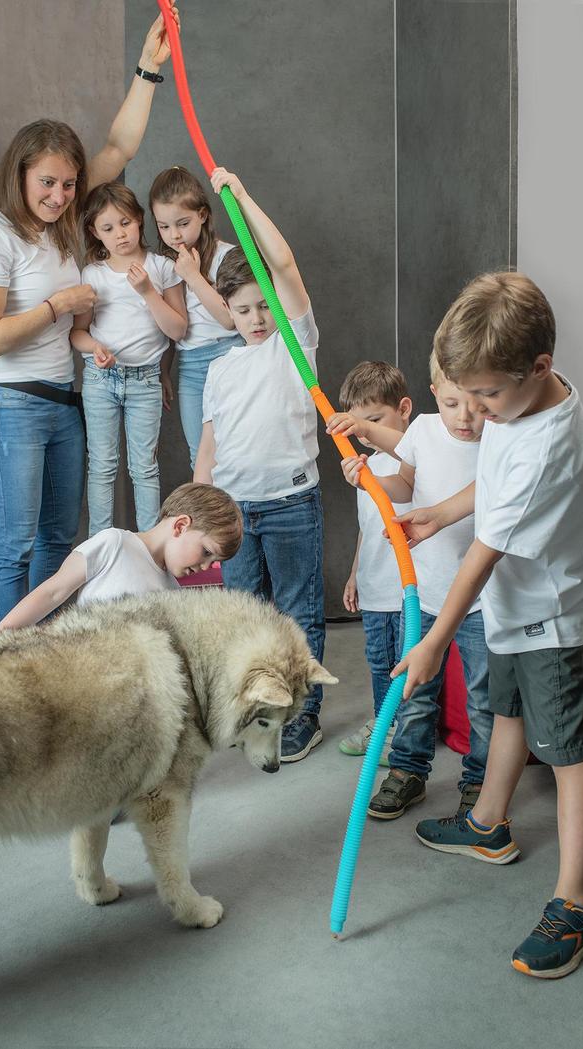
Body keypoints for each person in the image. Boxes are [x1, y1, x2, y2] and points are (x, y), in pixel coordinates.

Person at [391, 272, 583, 979]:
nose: (476, 411)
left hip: (546, 614)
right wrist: (439, 513)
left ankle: (577, 904)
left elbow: (483, 556)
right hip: (514, 607)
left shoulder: (545, 439)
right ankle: (487, 823)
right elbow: (495, 484)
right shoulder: (521, 403)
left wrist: (431, 640)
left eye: (485, 395)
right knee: (505, 710)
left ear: (538, 368)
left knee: (568, 752)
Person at [0, 7, 180, 631]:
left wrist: (148, 67)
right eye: (48, 183)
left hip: (64, 400)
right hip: (8, 402)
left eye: (69, 185)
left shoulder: (62, 228)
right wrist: (60, 307)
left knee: (60, 547)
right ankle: (3, 671)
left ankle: (48, 668)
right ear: (21, 175)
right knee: (18, 545)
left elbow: (119, 146)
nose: (60, 196)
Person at [194, 167, 325, 763]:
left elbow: (287, 266)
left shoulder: (292, 343)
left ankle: (303, 718)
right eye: (242, 309)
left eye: (263, 305)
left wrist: (242, 199)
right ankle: (254, 711)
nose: (255, 318)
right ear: (227, 310)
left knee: (297, 612)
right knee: (244, 617)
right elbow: (210, 444)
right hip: (236, 510)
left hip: (292, 502)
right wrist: (200, 504)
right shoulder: (221, 369)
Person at [329, 353, 490, 819]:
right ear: (435, 394)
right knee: (415, 690)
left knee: (483, 698)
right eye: (453, 402)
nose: (464, 416)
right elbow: (403, 481)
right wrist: (367, 478)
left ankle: (479, 781)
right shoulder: (422, 431)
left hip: (481, 597)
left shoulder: (496, 440)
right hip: (427, 593)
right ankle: (407, 770)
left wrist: (363, 430)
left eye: (476, 403)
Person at [71, 183, 187, 535]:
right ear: (95, 232)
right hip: (101, 380)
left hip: (146, 380)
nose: (119, 235)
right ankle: (101, 547)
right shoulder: (93, 274)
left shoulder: (162, 267)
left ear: (139, 220)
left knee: (145, 468)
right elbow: (77, 333)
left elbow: (178, 329)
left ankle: (149, 549)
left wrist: (147, 291)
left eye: (125, 223)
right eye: (107, 228)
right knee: (103, 467)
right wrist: (95, 349)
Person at [0, 482, 242, 634]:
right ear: (180, 526)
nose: (207, 566)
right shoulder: (114, 544)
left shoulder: (174, 593)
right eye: (207, 552)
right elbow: (53, 592)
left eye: (214, 561)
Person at [335, 362, 413, 766]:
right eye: (357, 422)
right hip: (374, 587)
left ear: (404, 409)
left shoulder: (411, 463)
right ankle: (384, 723)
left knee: (407, 665)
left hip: (408, 592)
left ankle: (405, 732)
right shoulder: (365, 467)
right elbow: (368, 526)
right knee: (380, 663)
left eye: (375, 419)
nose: (363, 431)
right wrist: (354, 573)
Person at [149, 165, 237, 467]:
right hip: (191, 366)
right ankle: (211, 515)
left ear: (202, 214)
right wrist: (164, 371)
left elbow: (230, 320)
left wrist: (194, 276)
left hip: (230, 357)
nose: (174, 235)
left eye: (182, 223)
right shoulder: (163, 265)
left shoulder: (225, 257)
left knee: (233, 450)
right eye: (164, 226)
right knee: (199, 455)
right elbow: (175, 327)